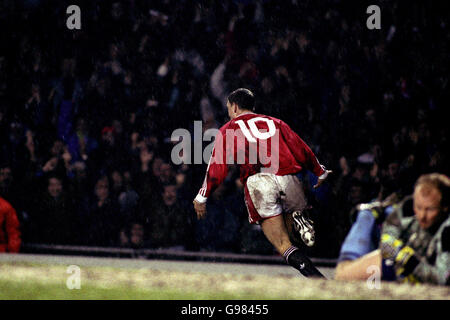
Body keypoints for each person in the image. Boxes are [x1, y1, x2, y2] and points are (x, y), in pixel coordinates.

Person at [193, 88, 332, 278]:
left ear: (234, 107)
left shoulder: (230, 128)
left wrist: (202, 195)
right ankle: (298, 217)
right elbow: (301, 148)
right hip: (289, 177)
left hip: (260, 181)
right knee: (292, 228)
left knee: (283, 244)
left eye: (228, 108)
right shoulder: (276, 123)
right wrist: (320, 171)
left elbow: (218, 166)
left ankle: (318, 279)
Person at [335, 173, 450, 286]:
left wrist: (409, 261)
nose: (422, 216)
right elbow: (386, 244)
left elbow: (442, 279)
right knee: (366, 215)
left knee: (343, 275)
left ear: (445, 207)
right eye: (418, 207)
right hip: (396, 263)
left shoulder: (447, 230)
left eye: (430, 209)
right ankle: (348, 259)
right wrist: (400, 254)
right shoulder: (407, 208)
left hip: (409, 272)